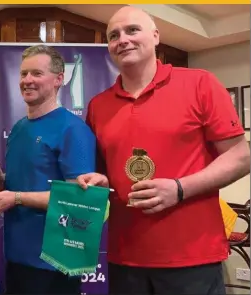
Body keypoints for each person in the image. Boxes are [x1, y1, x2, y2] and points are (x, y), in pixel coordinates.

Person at [77, 6, 251, 295]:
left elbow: (241, 157)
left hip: (191, 257)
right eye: (114, 35)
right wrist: (100, 181)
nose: (123, 39)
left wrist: (179, 188)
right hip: (125, 258)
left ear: (156, 36)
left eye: (133, 30)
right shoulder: (98, 105)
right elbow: (107, 173)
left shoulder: (199, 83)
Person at [0, 45, 97, 294]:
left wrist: (17, 198)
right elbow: (27, 180)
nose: (27, 80)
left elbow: (77, 201)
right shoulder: (19, 128)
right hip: (16, 256)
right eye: (23, 74)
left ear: (59, 79)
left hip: (55, 264)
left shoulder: (73, 129)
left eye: (37, 74)